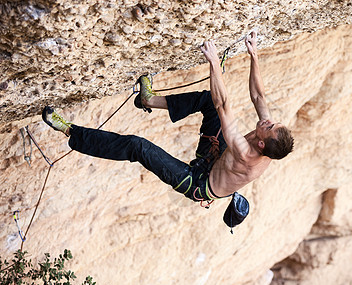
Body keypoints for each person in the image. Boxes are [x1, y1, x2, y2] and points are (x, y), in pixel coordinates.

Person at [42, 32, 294, 207]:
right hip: (216, 157)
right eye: (272, 123)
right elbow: (258, 96)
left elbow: (224, 104)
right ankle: (148, 100)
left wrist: (214, 63)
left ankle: (69, 131)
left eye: (269, 126)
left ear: (261, 144)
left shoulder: (245, 154)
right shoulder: (270, 139)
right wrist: (254, 55)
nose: (266, 121)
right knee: (207, 100)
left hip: (198, 182)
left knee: (137, 146)